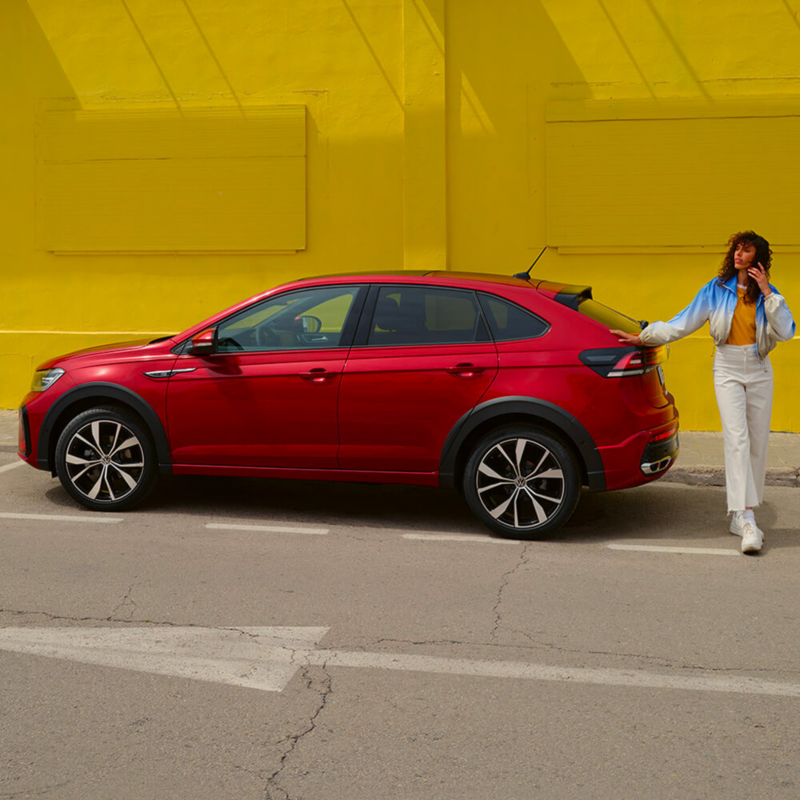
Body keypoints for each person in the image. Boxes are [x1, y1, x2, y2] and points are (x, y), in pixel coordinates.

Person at [611, 231, 795, 554]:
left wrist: (767, 291)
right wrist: (645, 336)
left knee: (757, 441)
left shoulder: (769, 295)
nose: (739, 253)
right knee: (737, 439)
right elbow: (682, 323)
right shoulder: (715, 289)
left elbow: (786, 329)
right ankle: (748, 518)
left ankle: (741, 514)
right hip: (727, 368)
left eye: (747, 249)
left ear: (758, 258)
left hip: (760, 368)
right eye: (737, 247)